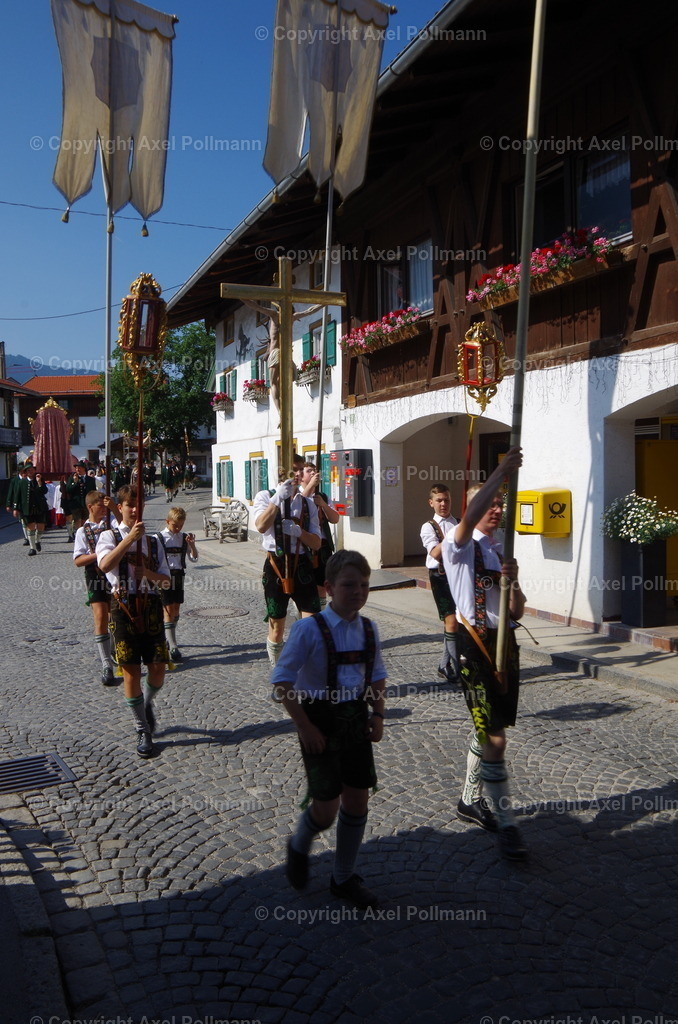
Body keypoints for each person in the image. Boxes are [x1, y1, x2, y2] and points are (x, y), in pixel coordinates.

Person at [272, 550, 387, 910]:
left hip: (354, 718)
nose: (358, 591)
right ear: (329, 588)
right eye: (349, 585)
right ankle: (300, 841)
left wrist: (378, 714)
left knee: (358, 799)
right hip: (319, 720)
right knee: (326, 807)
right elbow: (282, 682)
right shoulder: (309, 629)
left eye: (364, 585)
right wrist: (304, 727)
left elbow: (378, 675)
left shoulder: (369, 628)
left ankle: (343, 877)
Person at [442, 446, 528, 861]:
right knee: (495, 736)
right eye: (489, 503)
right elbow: (469, 517)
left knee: (492, 731)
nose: (496, 509)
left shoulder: (496, 550)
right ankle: (506, 823)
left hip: (504, 645)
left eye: (500, 504)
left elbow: (515, 612)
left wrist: (514, 582)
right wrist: (501, 472)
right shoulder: (458, 543)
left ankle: (468, 800)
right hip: (473, 647)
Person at [96, 485, 171, 759]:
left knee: (158, 668)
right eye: (130, 505)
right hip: (123, 605)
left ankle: (147, 703)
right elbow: (104, 567)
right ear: (121, 507)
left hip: (150, 605)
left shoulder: (153, 542)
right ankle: (142, 728)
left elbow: (166, 580)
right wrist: (128, 541)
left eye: (139, 505)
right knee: (130, 670)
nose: (135, 509)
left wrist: (148, 572)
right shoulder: (108, 535)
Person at [253, 455, 322, 669]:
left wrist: (299, 532)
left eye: (301, 469)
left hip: (301, 564)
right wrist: (276, 501)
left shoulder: (306, 504)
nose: (299, 474)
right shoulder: (265, 496)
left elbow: (317, 543)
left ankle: (305, 670)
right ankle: (279, 671)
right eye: (294, 469)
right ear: (280, 472)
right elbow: (261, 526)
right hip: (275, 563)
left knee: (311, 624)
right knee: (277, 626)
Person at [73, 490, 121, 685]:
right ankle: (106, 663)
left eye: (105, 506)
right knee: (100, 616)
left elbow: (126, 525)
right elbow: (78, 560)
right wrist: (100, 554)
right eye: (100, 506)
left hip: (115, 575)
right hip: (94, 575)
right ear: (90, 507)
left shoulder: (111, 524)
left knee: (116, 616)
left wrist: (113, 508)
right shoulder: (82, 531)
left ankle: (115, 649)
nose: (103, 509)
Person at [420, 484, 460, 683]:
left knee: (457, 622)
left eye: (446, 500)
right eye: (439, 500)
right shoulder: (429, 526)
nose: (443, 504)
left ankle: (444, 664)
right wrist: (455, 536)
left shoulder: (459, 523)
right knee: (451, 620)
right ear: (431, 503)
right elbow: (435, 552)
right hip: (440, 576)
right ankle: (458, 666)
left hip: (460, 576)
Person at [156, 506, 198, 663]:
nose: (178, 528)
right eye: (175, 525)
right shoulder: (159, 538)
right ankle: (173, 646)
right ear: (167, 522)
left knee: (176, 610)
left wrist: (192, 545)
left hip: (179, 576)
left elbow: (194, 558)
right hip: (165, 576)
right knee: (167, 610)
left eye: (181, 525)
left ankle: (169, 635)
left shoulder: (184, 537)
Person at [299, 461, 340, 608]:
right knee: (302, 584)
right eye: (309, 471)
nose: (313, 473)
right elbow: (296, 507)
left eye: (314, 470)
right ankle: (302, 615)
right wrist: (310, 487)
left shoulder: (322, 496)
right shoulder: (296, 494)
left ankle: (320, 613)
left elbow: (335, 519)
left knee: (322, 584)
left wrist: (323, 505)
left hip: (322, 547)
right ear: (301, 476)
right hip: (302, 546)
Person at [13, 463, 48, 555]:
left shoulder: (40, 479)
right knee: (30, 527)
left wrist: (39, 482)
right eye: (28, 470)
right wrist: (15, 508)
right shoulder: (22, 482)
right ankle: (32, 548)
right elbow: (17, 495)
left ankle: (37, 540)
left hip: (39, 507)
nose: (30, 471)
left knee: (41, 527)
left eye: (32, 469)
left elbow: (44, 491)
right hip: (27, 508)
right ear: (26, 472)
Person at [66, 462, 96, 540]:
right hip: (76, 504)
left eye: (79, 468)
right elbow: (68, 489)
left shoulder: (90, 479)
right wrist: (75, 482)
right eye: (76, 468)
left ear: (84, 469)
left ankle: (84, 535)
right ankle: (79, 537)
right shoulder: (72, 478)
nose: (77, 469)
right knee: (77, 521)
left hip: (86, 504)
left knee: (85, 521)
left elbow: (93, 491)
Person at [6, 463, 30, 546]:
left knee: (30, 521)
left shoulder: (29, 479)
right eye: (23, 471)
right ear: (20, 472)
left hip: (29, 503)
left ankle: (32, 535)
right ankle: (27, 537)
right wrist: (8, 504)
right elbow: (11, 492)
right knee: (23, 521)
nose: (25, 473)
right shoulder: (15, 480)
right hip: (19, 504)